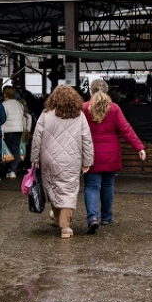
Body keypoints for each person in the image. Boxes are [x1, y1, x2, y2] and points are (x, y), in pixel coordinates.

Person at [82, 79, 146, 234]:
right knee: (107, 186)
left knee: (91, 186)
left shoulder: (84, 108)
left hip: (91, 154)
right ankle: (106, 217)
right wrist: (139, 147)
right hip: (111, 154)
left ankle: (92, 218)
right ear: (107, 90)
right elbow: (126, 129)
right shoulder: (114, 108)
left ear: (91, 91)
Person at [31, 85, 94, 239]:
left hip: (49, 159)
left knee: (52, 187)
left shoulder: (45, 114)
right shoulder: (79, 115)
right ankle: (65, 227)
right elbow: (87, 139)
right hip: (72, 159)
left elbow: (37, 137)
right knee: (68, 190)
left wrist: (35, 158)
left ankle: (57, 215)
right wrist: (88, 160)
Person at [1, 86, 30, 179]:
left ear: (5, 94)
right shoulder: (19, 104)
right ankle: (12, 170)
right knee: (15, 149)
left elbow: (2, 119)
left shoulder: (4, 104)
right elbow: (23, 117)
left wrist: (1, 131)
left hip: (8, 130)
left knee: (8, 150)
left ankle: (8, 169)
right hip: (18, 129)